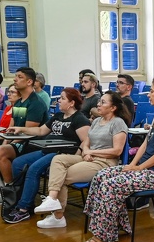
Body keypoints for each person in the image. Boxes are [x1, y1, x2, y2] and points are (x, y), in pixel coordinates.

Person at [76, 77, 154, 242]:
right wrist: (132, 164)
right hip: (146, 169)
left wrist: (139, 167)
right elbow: (146, 144)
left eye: (153, 91)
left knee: (110, 185)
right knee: (101, 175)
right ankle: (117, 225)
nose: (149, 94)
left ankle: (102, 236)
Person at [32, 92, 131, 228]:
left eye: (103, 102)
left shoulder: (118, 123)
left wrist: (91, 152)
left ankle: (58, 216)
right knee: (58, 159)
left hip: (105, 163)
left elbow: (117, 151)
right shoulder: (96, 121)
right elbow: (86, 142)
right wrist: (86, 151)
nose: (98, 104)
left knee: (62, 176)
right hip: (89, 158)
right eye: (99, 101)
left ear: (113, 108)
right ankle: (52, 199)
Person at [0, 88, 92, 225]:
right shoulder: (58, 116)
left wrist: (77, 155)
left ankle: (23, 209)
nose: (58, 100)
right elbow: (41, 130)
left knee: (34, 169)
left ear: (71, 103)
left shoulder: (79, 119)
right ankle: (20, 198)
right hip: (47, 149)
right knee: (18, 163)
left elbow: (86, 139)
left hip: (61, 153)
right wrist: (21, 129)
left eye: (62, 98)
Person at [0, 68, 49, 204]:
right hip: (18, 140)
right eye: (15, 76)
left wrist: (7, 144)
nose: (15, 79)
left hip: (32, 144)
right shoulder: (20, 102)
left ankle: (10, 191)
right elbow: (13, 127)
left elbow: (28, 131)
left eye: (19, 77)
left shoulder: (36, 103)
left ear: (29, 82)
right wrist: (2, 139)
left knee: (0, 151)